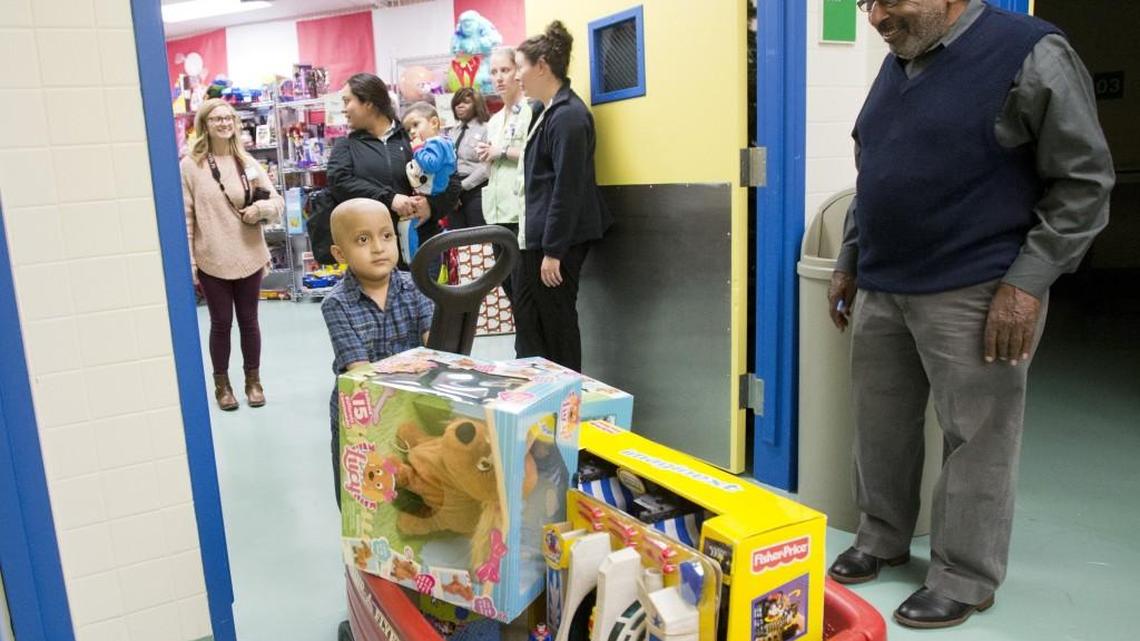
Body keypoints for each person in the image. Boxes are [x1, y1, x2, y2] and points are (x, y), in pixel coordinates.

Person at [826, 0, 1113, 629]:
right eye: (866, 4)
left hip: (979, 289)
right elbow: (873, 173)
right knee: (880, 425)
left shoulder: (1030, 51)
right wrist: (850, 257)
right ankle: (882, 536)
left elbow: (1084, 184)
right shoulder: (898, 62)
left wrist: (1029, 281)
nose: (874, 18)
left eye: (886, 2)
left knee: (977, 437)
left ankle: (965, 575)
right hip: (883, 283)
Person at [512, 21, 611, 372]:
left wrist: (554, 251)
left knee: (557, 325)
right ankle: (534, 392)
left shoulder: (569, 116)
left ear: (541, 66)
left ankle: (569, 400)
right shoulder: (544, 111)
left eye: (520, 66)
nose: (517, 76)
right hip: (534, 238)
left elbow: (567, 189)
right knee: (527, 320)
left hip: (556, 243)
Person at [320, 198, 434, 504]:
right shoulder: (336, 304)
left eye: (386, 236)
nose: (378, 248)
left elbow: (435, 347)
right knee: (362, 499)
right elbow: (360, 371)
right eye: (362, 239)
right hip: (361, 417)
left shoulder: (416, 286)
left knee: (413, 493)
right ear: (340, 254)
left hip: (412, 411)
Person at [181, 98, 284, 411]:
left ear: (236, 124)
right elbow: (186, 215)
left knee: (250, 321)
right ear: (205, 125)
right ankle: (222, 385)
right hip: (212, 257)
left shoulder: (247, 163)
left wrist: (261, 209)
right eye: (216, 119)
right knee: (221, 323)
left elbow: (276, 202)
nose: (224, 123)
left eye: (228, 118)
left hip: (249, 254)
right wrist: (191, 262)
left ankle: (253, 381)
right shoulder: (190, 165)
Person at [328, 73, 460, 270]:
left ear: (369, 102)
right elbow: (340, 183)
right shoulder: (345, 146)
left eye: (348, 101)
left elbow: (452, 182)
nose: (344, 109)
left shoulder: (413, 138)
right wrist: (390, 199)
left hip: (421, 248)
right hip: (370, 254)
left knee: (426, 300)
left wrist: (431, 206)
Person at [476, 46, 532, 303]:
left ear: (518, 72)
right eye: (494, 72)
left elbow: (536, 155)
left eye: (505, 70)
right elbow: (493, 162)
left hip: (520, 212)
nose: (498, 78)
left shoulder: (531, 110)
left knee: (524, 291)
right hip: (496, 213)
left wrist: (502, 151)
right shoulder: (495, 120)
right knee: (508, 287)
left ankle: (530, 343)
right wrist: (487, 154)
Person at [401, 102, 458, 264]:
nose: (412, 131)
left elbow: (431, 164)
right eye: (408, 129)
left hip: (434, 191)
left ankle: (411, 258)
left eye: (415, 125)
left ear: (434, 123)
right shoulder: (433, 144)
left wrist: (418, 149)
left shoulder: (436, 143)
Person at [447, 87, 491, 229]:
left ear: (476, 105)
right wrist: (452, 191)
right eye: (457, 103)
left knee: (478, 238)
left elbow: (486, 167)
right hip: (454, 190)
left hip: (476, 189)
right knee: (456, 239)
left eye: (466, 102)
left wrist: (462, 187)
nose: (459, 106)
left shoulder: (487, 129)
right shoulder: (452, 132)